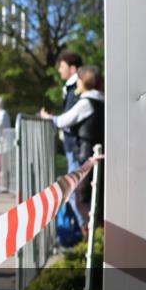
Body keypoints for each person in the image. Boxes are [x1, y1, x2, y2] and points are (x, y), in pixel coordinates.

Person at [41, 66, 104, 229]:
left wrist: (48, 117)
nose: (76, 83)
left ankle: (91, 233)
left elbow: (63, 121)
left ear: (84, 81)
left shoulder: (86, 102)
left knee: (81, 196)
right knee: (94, 194)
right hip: (96, 151)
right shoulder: (101, 99)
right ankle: (95, 232)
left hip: (86, 153)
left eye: (79, 80)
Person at [55, 51, 83, 220]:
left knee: (75, 189)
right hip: (72, 144)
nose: (59, 69)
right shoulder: (71, 88)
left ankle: (84, 229)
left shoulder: (77, 88)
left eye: (62, 66)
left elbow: (70, 118)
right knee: (73, 188)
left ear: (73, 69)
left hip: (75, 145)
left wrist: (53, 119)